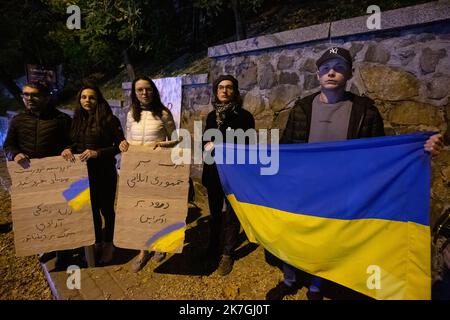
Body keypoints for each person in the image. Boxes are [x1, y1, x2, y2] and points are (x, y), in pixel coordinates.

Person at [267, 46, 443, 300]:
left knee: (328, 237)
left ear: (349, 74)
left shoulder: (364, 110)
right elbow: (285, 149)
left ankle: (317, 285)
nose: (331, 73)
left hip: (341, 191)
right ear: (317, 75)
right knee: (292, 232)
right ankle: (290, 278)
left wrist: (421, 147)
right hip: (303, 188)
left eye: (339, 68)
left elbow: (380, 153)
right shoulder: (301, 108)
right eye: (326, 68)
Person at [4, 82, 72, 268]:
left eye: (34, 95)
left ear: (46, 97)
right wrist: (14, 154)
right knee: (39, 216)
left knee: (58, 215)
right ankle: (47, 246)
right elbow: (8, 145)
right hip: (30, 178)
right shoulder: (17, 120)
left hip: (56, 176)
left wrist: (68, 149)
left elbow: (73, 142)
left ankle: (64, 254)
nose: (29, 99)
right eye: (26, 95)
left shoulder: (62, 119)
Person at [118, 76, 180, 273]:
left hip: (157, 168)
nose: (144, 93)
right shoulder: (130, 114)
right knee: (139, 210)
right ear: (135, 93)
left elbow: (176, 139)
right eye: (140, 90)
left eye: (148, 89)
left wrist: (161, 145)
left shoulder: (163, 113)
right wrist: (123, 144)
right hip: (136, 171)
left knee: (158, 209)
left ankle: (160, 244)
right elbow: (128, 139)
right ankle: (143, 251)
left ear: (153, 91)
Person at [61, 85, 125, 265]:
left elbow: (118, 146)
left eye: (92, 97)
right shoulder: (76, 121)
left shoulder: (109, 120)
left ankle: (109, 244)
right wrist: (67, 149)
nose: (87, 100)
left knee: (107, 210)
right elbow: (72, 143)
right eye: (84, 97)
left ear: (99, 100)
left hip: (104, 173)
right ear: (79, 100)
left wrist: (98, 153)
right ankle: (97, 242)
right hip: (82, 175)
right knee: (91, 211)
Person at [202, 75, 255, 276]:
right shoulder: (210, 117)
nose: (224, 90)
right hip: (213, 173)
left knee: (233, 214)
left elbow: (247, 146)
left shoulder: (245, 116)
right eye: (220, 87)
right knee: (215, 214)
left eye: (229, 87)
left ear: (235, 91)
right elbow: (204, 144)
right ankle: (213, 247)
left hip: (234, 174)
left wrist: (221, 144)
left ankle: (227, 253)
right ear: (216, 92)